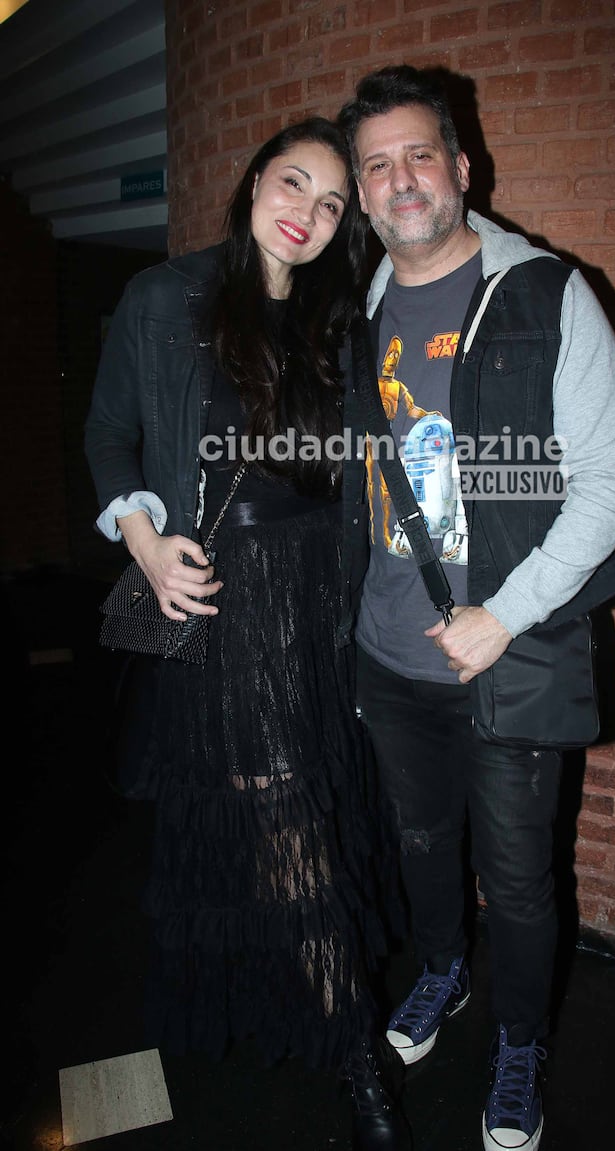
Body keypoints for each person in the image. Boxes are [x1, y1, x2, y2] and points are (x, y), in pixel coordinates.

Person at [84, 117, 409, 1151]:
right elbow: (108, 429)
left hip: (326, 593)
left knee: (312, 798)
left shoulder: (339, 319)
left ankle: (312, 990)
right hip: (230, 597)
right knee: (287, 824)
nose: (307, 213)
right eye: (293, 183)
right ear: (252, 182)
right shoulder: (164, 295)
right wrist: (141, 537)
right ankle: (355, 1048)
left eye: (329, 203)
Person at [337, 67, 615, 1151]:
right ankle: (442, 974)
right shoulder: (361, 303)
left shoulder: (547, 292)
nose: (399, 179)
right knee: (422, 844)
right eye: (376, 163)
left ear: (461, 168)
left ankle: (519, 1043)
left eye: (419, 153)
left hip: (503, 655)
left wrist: (500, 614)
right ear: (363, 194)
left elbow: (609, 483)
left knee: (516, 878)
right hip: (387, 654)